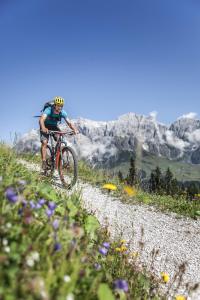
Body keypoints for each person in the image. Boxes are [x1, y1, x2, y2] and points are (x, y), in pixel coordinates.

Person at [39, 96, 78, 171]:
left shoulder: (63, 112)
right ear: (55, 105)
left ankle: (56, 157)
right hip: (44, 125)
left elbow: (69, 123)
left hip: (54, 126)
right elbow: (41, 119)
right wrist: (43, 128)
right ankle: (44, 161)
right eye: (58, 105)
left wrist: (74, 129)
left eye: (61, 106)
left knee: (59, 139)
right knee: (44, 142)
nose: (59, 107)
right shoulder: (48, 110)